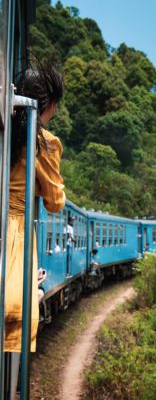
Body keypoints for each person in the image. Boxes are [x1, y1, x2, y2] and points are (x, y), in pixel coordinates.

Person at [5, 63, 65, 355]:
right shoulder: (44, 144)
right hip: (15, 233)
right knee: (17, 317)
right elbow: (55, 202)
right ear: (50, 104)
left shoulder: (5, 131)